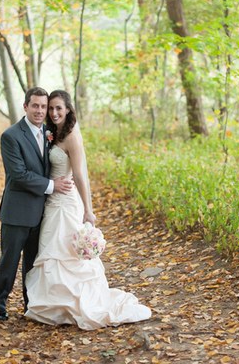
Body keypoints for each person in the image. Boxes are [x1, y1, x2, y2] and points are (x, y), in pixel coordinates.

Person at [24, 90, 151, 330]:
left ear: (69, 109)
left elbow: (81, 175)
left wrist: (88, 210)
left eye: (58, 108)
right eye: (51, 108)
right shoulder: (52, 133)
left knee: (69, 255)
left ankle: (77, 304)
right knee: (52, 251)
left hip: (68, 202)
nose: (53, 112)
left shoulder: (71, 136)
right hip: (52, 201)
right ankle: (56, 305)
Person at [0, 87, 74, 321]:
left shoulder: (50, 133)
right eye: (35, 105)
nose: (40, 110)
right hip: (17, 211)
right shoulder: (11, 136)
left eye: (43, 106)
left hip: (42, 211)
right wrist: (51, 185)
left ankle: (32, 304)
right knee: (9, 260)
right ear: (25, 106)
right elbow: (18, 174)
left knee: (33, 263)